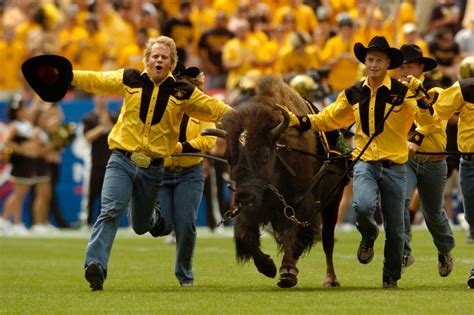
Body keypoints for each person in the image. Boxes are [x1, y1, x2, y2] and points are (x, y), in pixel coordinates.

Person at [21, 36, 233, 291]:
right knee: (109, 210)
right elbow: (97, 79)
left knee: (142, 226)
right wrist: (67, 76)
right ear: (146, 59)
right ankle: (95, 266)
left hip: (153, 167)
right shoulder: (130, 78)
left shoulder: (183, 92)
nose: (158, 60)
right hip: (121, 159)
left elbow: (217, 109)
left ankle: (153, 216)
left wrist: (248, 117)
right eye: (154, 55)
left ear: (171, 63)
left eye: (164, 57)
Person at [287, 36, 439, 289]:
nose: (374, 64)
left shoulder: (404, 92)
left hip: (395, 165)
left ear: (388, 63)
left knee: (396, 228)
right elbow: (329, 118)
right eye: (370, 60)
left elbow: (430, 121)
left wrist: (422, 100)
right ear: (365, 63)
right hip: (365, 162)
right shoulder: (353, 93)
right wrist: (303, 121)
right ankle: (368, 236)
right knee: (363, 206)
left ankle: (390, 276)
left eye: (379, 60)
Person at [403, 56, 474, 288]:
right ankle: (404, 249)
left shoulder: (453, 87)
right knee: (472, 217)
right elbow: (436, 114)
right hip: (468, 161)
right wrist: (423, 103)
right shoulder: (464, 89)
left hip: (446, 159)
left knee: (454, 215)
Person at [157, 62, 217, 287]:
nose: (183, 85)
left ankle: (184, 275)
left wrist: (182, 147)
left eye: (188, 81)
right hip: (161, 172)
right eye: (180, 80)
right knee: (162, 225)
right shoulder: (160, 102)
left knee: (186, 223)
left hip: (190, 172)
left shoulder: (202, 106)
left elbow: (209, 138)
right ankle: (147, 212)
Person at [398, 44, 455, 276]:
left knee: (433, 214)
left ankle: (444, 250)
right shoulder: (395, 94)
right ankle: (402, 251)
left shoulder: (436, 92)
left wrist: (415, 138)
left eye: (409, 66)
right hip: (407, 160)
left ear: (421, 68)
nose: (404, 72)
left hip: (434, 160)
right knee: (399, 202)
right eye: (400, 67)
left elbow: (437, 121)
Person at [82, 94, 117, 227]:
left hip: (113, 161)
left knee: (111, 194)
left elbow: (119, 135)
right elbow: (88, 137)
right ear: (94, 99)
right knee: (93, 194)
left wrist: (108, 124)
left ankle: (110, 221)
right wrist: (101, 127)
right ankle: (89, 222)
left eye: (104, 97)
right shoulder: (89, 118)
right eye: (99, 97)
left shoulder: (114, 117)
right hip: (96, 162)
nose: (102, 100)